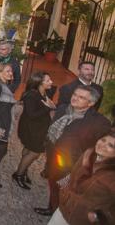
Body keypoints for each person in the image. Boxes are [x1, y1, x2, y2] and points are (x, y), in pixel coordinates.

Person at [34, 86, 111, 217]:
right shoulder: (63, 108)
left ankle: (61, 214)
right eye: (75, 94)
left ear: (91, 103)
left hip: (71, 167)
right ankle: (52, 208)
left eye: (81, 97)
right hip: (53, 157)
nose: (75, 98)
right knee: (53, 185)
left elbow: (102, 148)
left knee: (65, 191)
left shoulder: (100, 123)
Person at [48, 130, 115, 225]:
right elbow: (73, 175)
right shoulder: (88, 154)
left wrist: (100, 217)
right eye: (103, 140)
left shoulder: (112, 175)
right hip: (63, 209)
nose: (103, 145)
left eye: (111, 145)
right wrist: (63, 191)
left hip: (82, 221)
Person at [13, 72, 56, 190]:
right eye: (48, 81)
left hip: (38, 128)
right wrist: (48, 108)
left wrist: (50, 105)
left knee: (28, 149)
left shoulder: (44, 92)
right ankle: (18, 175)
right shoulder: (31, 95)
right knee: (35, 152)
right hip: (31, 129)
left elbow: (49, 105)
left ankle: (23, 169)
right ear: (39, 83)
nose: (51, 82)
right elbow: (32, 114)